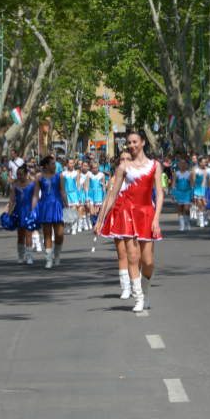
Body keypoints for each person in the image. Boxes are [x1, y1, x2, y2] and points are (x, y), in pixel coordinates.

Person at [98, 131, 163, 312]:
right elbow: (112, 196)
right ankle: (138, 298)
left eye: (135, 142)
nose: (132, 145)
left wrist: (156, 218)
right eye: (129, 143)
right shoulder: (124, 167)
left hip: (147, 213)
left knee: (147, 261)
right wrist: (101, 219)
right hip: (127, 214)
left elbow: (159, 194)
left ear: (143, 142)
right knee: (133, 257)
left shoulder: (154, 166)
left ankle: (145, 290)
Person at [97, 149, 133, 299]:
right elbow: (107, 200)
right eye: (122, 159)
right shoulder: (113, 180)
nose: (125, 162)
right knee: (122, 253)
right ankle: (125, 287)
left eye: (128, 159)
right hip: (118, 216)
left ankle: (135, 281)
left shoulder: (138, 177)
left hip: (135, 217)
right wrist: (100, 221)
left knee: (135, 255)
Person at [32, 155, 68, 268]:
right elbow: (35, 195)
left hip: (57, 205)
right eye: (53, 164)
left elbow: (63, 191)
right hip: (45, 206)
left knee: (60, 233)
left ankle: (57, 254)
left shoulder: (59, 176)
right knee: (47, 234)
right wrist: (32, 210)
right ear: (46, 165)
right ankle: (48, 259)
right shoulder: (38, 177)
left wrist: (67, 206)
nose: (55, 166)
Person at [7, 165, 36, 264]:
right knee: (20, 234)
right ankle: (20, 255)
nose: (19, 176)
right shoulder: (15, 186)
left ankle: (29, 256)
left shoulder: (32, 184)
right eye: (18, 175)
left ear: (27, 174)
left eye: (21, 174)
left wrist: (35, 210)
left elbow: (36, 197)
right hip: (19, 210)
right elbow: (11, 200)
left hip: (29, 210)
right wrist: (10, 211)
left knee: (29, 233)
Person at [171, 158, 194, 231]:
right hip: (178, 193)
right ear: (178, 164)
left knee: (186, 209)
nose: (182, 164)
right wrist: (173, 195)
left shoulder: (189, 173)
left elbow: (192, 184)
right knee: (180, 209)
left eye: (184, 163)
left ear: (186, 165)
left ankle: (188, 223)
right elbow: (174, 184)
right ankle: (182, 225)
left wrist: (192, 194)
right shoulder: (176, 173)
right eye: (181, 163)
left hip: (187, 193)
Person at [63, 159, 81, 234]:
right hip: (66, 193)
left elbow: (78, 185)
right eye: (70, 163)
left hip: (74, 193)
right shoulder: (63, 174)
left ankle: (74, 227)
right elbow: (62, 185)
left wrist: (79, 196)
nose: (72, 164)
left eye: (73, 163)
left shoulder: (76, 173)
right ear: (67, 164)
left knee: (74, 210)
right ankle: (68, 225)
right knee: (67, 210)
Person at [192, 156, 210, 228]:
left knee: (205, 205)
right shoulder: (195, 170)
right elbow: (193, 181)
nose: (205, 163)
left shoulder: (208, 170)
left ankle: (205, 218)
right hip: (197, 189)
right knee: (199, 205)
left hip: (206, 189)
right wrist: (192, 190)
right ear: (200, 162)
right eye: (204, 162)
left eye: (206, 162)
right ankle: (200, 221)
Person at [79, 160, 91, 232]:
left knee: (88, 207)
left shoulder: (90, 174)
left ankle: (89, 221)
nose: (85, 167)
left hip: (89, 192)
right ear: (81, 166)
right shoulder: (79, 174)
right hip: (82, 193)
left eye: (86, 166)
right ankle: (84, 223)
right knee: (83, 208)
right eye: (84, 166)